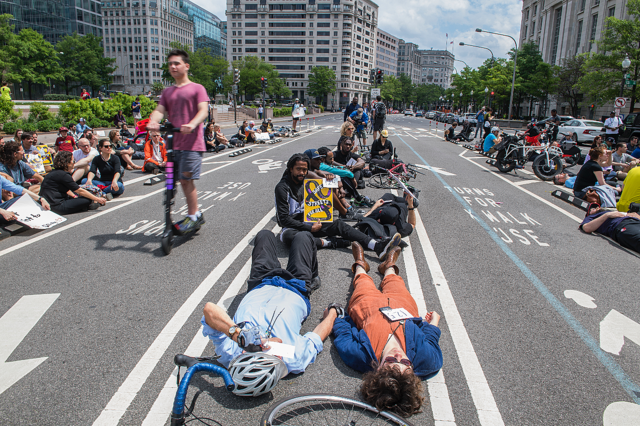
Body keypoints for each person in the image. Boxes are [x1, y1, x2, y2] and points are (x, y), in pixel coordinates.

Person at [201, 229, 338, 396]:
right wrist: (333, 314)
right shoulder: (293, 358)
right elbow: (316, 337)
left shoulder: (230, 351)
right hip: (296, 288)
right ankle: (313, 277)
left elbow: (209, 310)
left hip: (261, 282)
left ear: (244, 354)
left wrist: (240, 336)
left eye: (268, 354)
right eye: (277, 362)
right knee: (303, 237)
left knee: (264, 235)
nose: (278, 356)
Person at [331, 243, 442, 416]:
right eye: (405, 363)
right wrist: (434, 321)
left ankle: (360, 264)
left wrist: (337, 316)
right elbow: (431, 338)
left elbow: (343, 334)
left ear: (378, 370)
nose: (398, 355)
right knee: (395, 283)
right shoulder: (427, 360)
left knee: (362, 282)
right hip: (403, 306)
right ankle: (388, 266)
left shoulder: (360, 357)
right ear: (412, 371)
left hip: (366, 305)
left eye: (390, 361)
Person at [275, 153, 401, 258]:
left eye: (304, 169)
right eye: (298, 169)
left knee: (339, 225)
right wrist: (310, 229)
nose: (301, 172)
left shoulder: (307, 180)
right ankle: (328, 242)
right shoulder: (282, 188)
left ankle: (376, 245)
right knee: (288, 237)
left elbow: (331, 182)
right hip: (294, 227)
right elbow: (283, 220)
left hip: (311, 220)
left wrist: (330, 180)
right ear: (291, 168)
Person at [147, 48, 209, 233]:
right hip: (173, 143)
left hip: (192, 144)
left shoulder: (197, 88)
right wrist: (153, 121)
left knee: (185, 180)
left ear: (186, 66)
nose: (173, 67)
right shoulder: (168, 92)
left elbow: (203, 111)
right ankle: (178, 214)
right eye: (170, 64)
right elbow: (159, 110)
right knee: (171, 180)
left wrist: (191, 124)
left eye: (177, 63)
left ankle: (193, 215)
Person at [40, 151, 106, 214]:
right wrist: (97, 199)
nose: (74, 163)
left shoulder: (52, 173)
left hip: (47, 203)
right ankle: (86, 206)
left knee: (76, 195)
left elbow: (66, 189)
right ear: (67, 162)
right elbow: (79, 190)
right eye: (73, 161)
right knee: (87, 199)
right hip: (57, 205)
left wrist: (74, 196)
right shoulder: (64, 175)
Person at [304, 148, 358, 221]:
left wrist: (340, 187)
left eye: (320, 159)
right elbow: (320, 179)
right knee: (327, 187)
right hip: (302, 202)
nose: (320, 161)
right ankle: (344, 213)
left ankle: (346, 208)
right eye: (317, 159)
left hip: (310, 199)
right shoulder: (306, 171)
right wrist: (332, 180)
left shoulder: (315, 169)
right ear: (309, 160)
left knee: (331, 183)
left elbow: (332, 175)